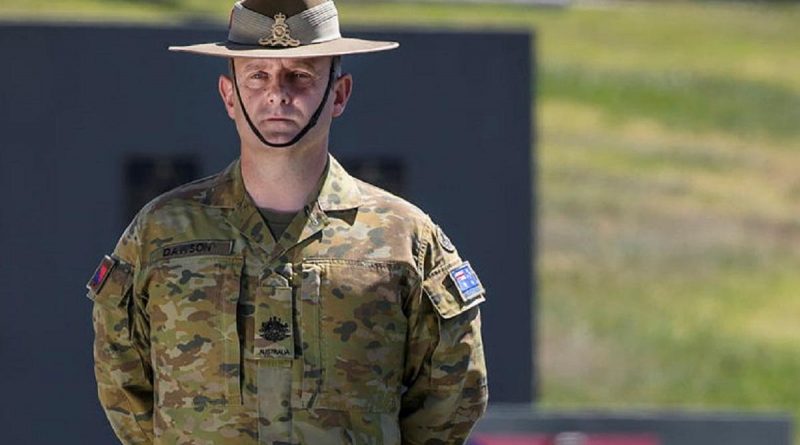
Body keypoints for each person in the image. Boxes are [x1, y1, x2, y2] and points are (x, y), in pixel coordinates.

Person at [86, 0, 488, 443]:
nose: (277, 93)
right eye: (257, 75)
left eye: (300, 75)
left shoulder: (404, 239)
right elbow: (124, 385)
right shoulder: (161, 233)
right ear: (228, 95)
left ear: (338, 95)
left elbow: (451, 395)